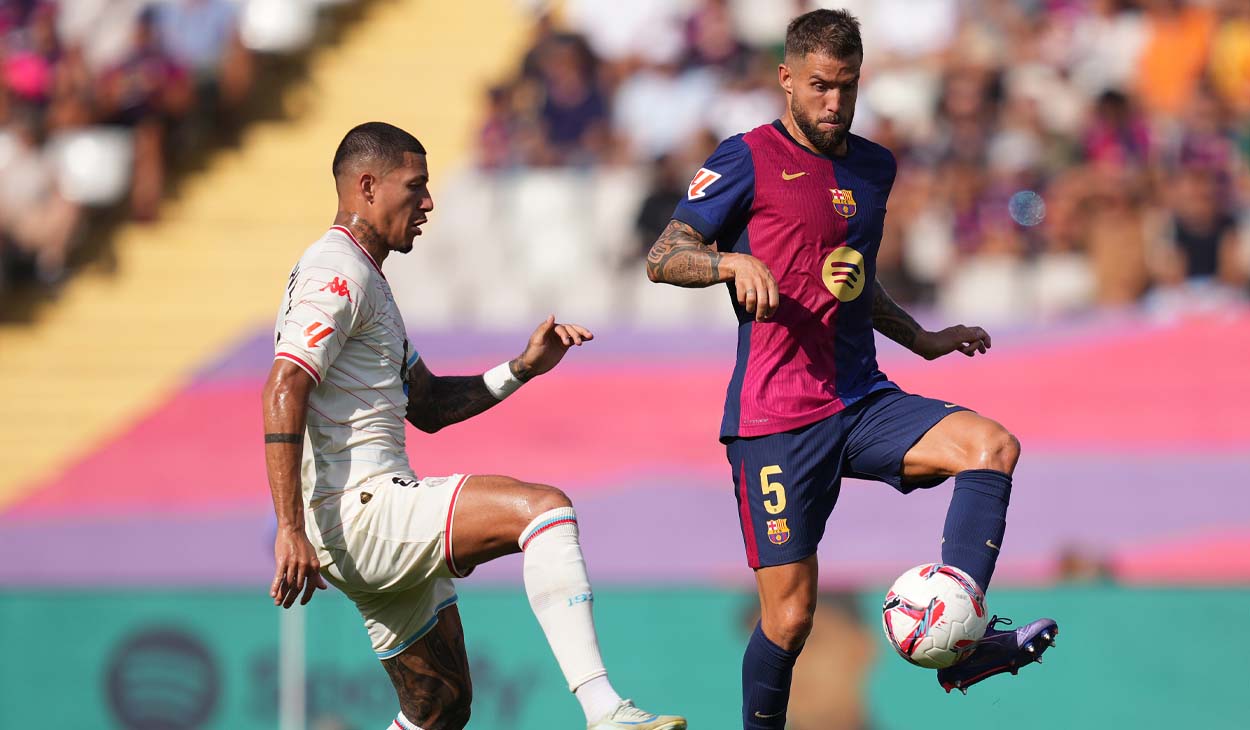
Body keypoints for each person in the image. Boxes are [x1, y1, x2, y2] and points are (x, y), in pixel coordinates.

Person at [644, 10, 1057, 727]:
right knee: (791, 618)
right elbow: (663, 255)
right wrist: (730, 263)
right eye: (820, 86)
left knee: (992, 447)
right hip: (776, 419)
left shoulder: (874, 167)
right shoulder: (746, 157)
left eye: (848, 86)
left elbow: (851, 277)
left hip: (862, 399)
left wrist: (920, 338)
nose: (835, 102)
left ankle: (964, 646)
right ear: (786, 78)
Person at [262, 122, 685, 730]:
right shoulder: (337, 271)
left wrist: (521, 369)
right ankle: (605, 711)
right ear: (367, 186)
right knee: (544, 511)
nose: (429, 202)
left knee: (440, 707)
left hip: (359, 521)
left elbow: (429, 405)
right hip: (361, 509)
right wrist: (288, 527)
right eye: (415, 186)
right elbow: (284, 384)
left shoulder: (367, 279)